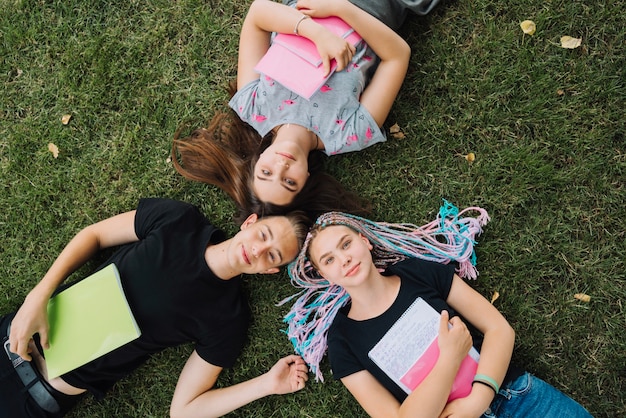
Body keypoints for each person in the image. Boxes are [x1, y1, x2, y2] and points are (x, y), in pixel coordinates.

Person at [1, 198, 310, 418]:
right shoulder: (179, 220)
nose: (257, 250)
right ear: (250, 222)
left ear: (270, 272)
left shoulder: (229, 319)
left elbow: (184, 410)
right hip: (13, 335)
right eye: (264, 235)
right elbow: (94, 235)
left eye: (272, 256)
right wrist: (38, 295)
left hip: (36, 398)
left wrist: (267, 384)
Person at [283, 203, 593, 417]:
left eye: (346, 244)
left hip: (516, 396)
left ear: (365, 242)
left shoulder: (416, 272)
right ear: (324, 276)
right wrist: (450, 358)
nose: (344, 259)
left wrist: (478, 400)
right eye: (329, 260)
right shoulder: (342, 339)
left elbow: (499, 329)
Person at [173, 0, 412, 221]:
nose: (281, 166)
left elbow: (258, 15)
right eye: (289, 182)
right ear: (306, 180)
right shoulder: (349, 134)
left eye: (266, 172)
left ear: (258, 160)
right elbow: (398, 55)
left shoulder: (252, 106)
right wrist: (340, 8)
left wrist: (315, 32)